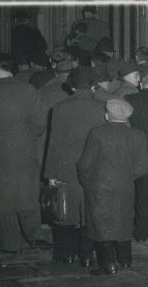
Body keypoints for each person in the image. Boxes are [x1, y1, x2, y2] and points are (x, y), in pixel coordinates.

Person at [0, 52, 48, 254]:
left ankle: (11, 244)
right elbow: (39, 125)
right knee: (27, 193)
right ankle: (34, 237)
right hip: (24, 147)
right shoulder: (27, 89)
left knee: (1, 196)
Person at [78, 99, 148, 275]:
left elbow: (85, 164)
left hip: (99, 185)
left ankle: (108, 265)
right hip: (125, 185)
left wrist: (87, 181)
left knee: (101, 223)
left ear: (107, 115)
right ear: (126, 117)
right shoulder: (138, 135)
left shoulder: (97, 133)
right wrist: (126, 176)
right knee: (124, 220)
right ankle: (125, 260)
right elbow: (143, 165)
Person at [43, 67, 106, 266]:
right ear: (93, 86)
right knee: (89, 209)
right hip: (94, 165)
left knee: (65, 210)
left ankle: (65, 254)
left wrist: (50, 173)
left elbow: (53, 142)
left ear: (71, 87)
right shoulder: (101, 108)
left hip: (66, 164)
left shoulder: (60, 108)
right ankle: (87, 254)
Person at [124, 72, 148, 242]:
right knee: (146, 196)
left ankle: (124, 227)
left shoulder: (129, 99)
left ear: (141, 85)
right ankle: (142, 232)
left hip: (130, 153)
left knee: (127, 193)